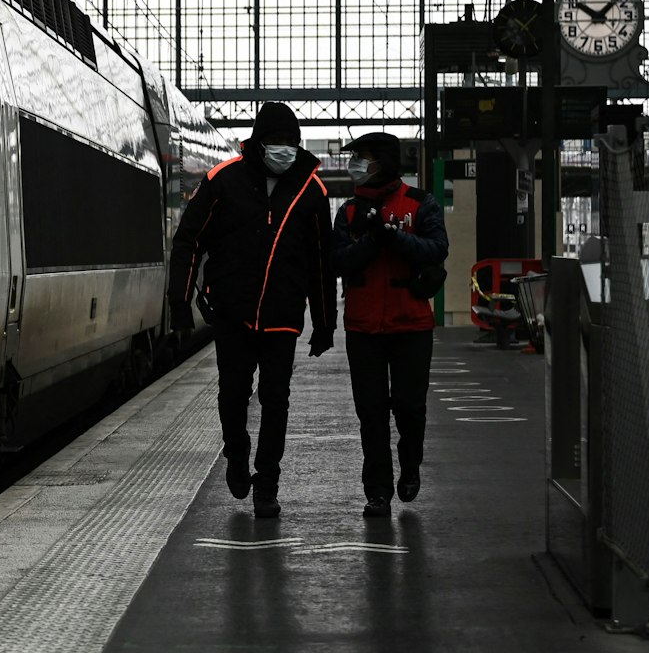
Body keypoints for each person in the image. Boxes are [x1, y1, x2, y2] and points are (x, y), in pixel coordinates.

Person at [168, 102, 336, 519]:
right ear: (258, 143)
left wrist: (325, 323)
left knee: (276, 400)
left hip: (282, 316)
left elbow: (320, 262)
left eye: (291, 143)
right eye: (276, 143)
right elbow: (189, 239)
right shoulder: (223, 181)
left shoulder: (311, 191)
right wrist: (180, 302)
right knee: (233, 394)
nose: (285, 150)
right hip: (232, 312)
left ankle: (268, 484)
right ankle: (237, 451)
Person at [330, 132, 450, 517]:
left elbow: (437, 248)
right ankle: (378, 490)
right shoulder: (348, 212)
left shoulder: (420, 203)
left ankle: (410, 465)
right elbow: (338, 262)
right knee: (371, 411)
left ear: (382, 161)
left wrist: (393, 237)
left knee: (410, 406)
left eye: (363, 157)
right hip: (363, 328)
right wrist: (370, 241)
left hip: (411, 325)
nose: (355, 165)